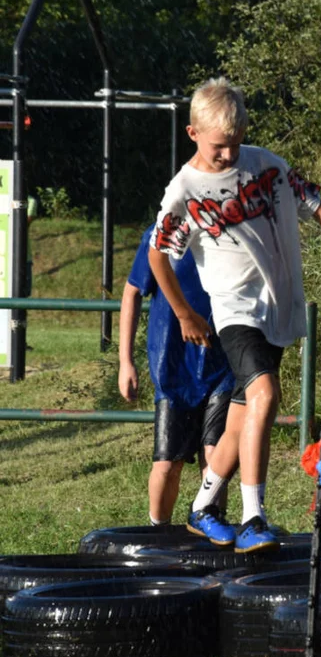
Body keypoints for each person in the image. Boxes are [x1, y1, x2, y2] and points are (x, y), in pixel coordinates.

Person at [148, 77, 321, 553]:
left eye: (234, 143)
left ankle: (204, 508)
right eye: (217, 148)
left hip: (276, 310)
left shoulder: (266, 166)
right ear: (192, 134)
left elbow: (320, 208)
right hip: (233, 311)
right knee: (266, 395)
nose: (228, 155)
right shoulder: (186, 190)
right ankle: (253, 516)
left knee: (240, 417)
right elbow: (158, 255)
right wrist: (185, 313)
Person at [118, 224, 234, 528]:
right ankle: (159, 530)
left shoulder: (232, 234)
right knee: (168, 464)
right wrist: (125, 361)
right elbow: (131, 293)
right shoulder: (160, 236)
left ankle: (212, 522)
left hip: (221, 363)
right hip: (172, 365)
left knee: (214, 455)